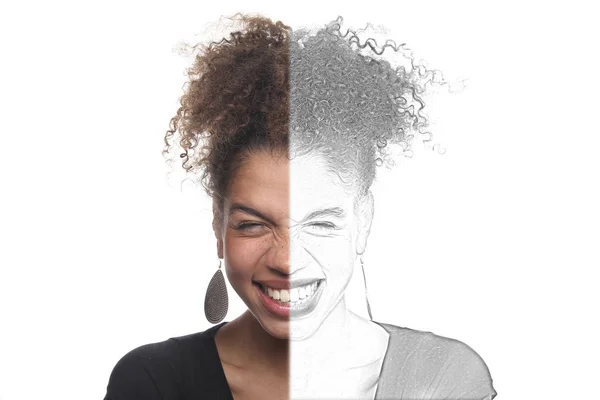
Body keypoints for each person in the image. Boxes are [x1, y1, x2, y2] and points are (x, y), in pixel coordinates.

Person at [104, 14, 496, 400]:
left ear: (362, 221)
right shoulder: (154, 382)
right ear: (218, 227)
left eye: (321, 224)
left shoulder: (442, 378)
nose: (288, 262)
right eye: (253, 225)